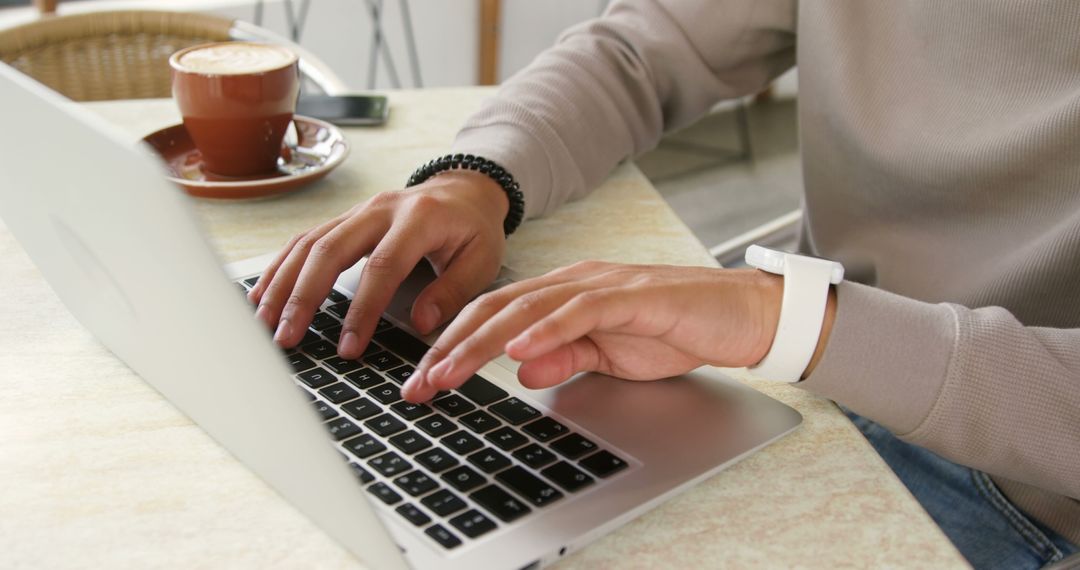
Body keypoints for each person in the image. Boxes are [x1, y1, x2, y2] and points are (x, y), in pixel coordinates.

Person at [246, 1, 1080, 567]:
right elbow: (643, 46)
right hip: (791, 364)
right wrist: (477, 176)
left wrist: (786, 319)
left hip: (1008, 479)